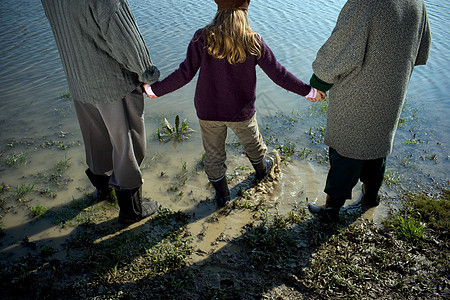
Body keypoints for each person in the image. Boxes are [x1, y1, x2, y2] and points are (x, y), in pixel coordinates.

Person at [144, 0, 326, 207]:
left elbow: (184, 74)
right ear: (245, 9)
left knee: (213, 155)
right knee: (254, 145)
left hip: (208, 111)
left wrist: (154, 90)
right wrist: (309, 91)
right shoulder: (253, 41)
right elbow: (279, 74)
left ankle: (223, 197)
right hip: (241, 112)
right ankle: (262, 171)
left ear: (218, 7)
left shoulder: (202, 37)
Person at [307, 0, 431, 222]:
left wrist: (320, 81)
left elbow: (341, 47)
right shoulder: (417, 2)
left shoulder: (366, 2)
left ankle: (331, 209)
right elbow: (421, 50)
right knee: (377, 146)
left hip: (360, 91)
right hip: (393, 90)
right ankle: (370, 198)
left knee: (347, 148)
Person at [41, 0, 161, 224]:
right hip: (112, 81)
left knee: (94, 137)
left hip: (77, 79)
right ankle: (131, 210)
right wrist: (147, 73)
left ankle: (103, 190)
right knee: (127, 143)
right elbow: (124, 36)